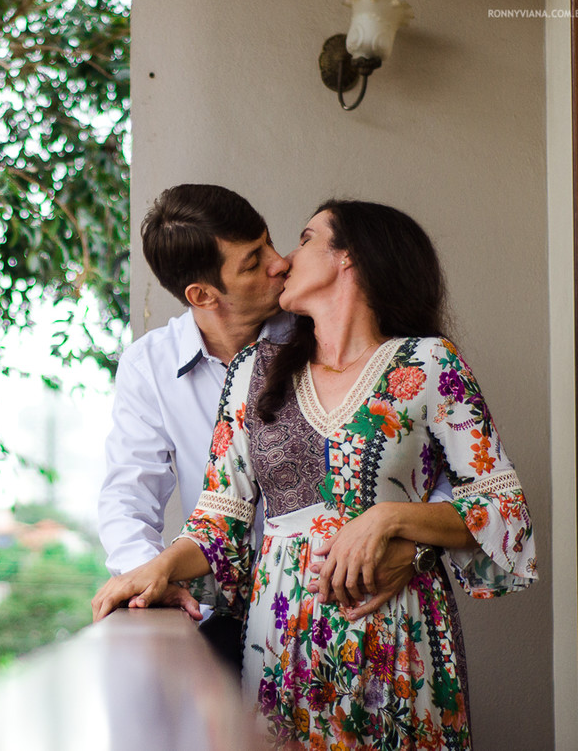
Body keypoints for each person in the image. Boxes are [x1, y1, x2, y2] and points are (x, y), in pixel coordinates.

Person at [93, 199, 537, 749]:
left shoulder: (429, 364)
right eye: (259, 258)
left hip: (400, 636)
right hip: (281, 646)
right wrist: (157, 568)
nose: (282, 260)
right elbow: (216, 522)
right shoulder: (252, 371)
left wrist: (391, 520)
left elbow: (503, 509)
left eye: (302, 239)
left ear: (349, 257)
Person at [97, 186, 417, 671]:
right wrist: (154, 579)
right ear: (202, 295)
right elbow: (128, 498)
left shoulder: (325, 334)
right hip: (219, 620)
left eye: (271, 243)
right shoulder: (149, 366)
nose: (279, 263)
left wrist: (409, 548)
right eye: (252, 262)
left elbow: (426, 471)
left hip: (348, 612)